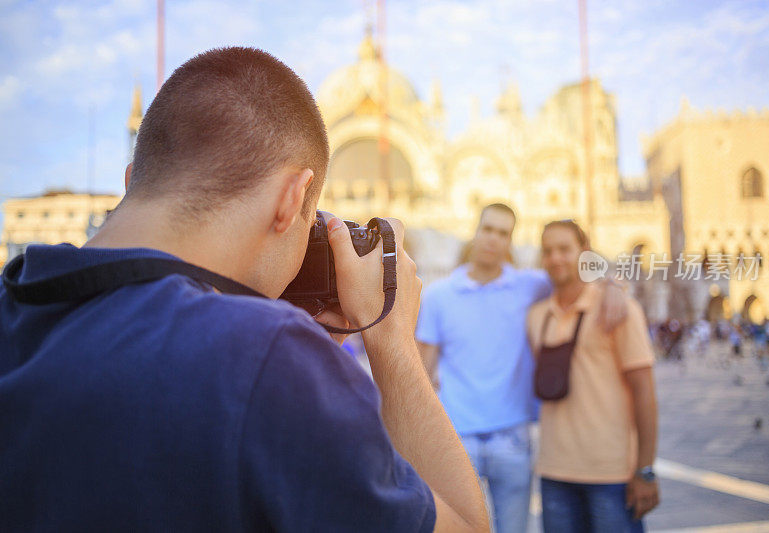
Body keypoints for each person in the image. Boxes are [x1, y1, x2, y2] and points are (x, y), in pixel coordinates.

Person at [0, 47, 489, 532]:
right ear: (291, 199)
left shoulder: (15, 304)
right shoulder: (267, 359)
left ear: (132, 181)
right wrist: (392, 338)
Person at [415, 205, 628, 533]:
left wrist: (614, 282)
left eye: (503, 233)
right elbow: (422, 372)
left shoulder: (530, 286)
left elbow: (574, 272)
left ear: (511, 241)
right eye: (488, 229)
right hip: (457, 441)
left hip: (513, 440)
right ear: (475, 231)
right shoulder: (439, 296)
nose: (493, 239)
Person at [527, 220, 659, 533]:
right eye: (548, 251)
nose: (556, 258)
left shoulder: (618, 309)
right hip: (554, 473)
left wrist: (646, 469)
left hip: (611, 475)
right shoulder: (536, 317)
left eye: (564, 249)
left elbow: (645, 391)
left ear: (584, 252)